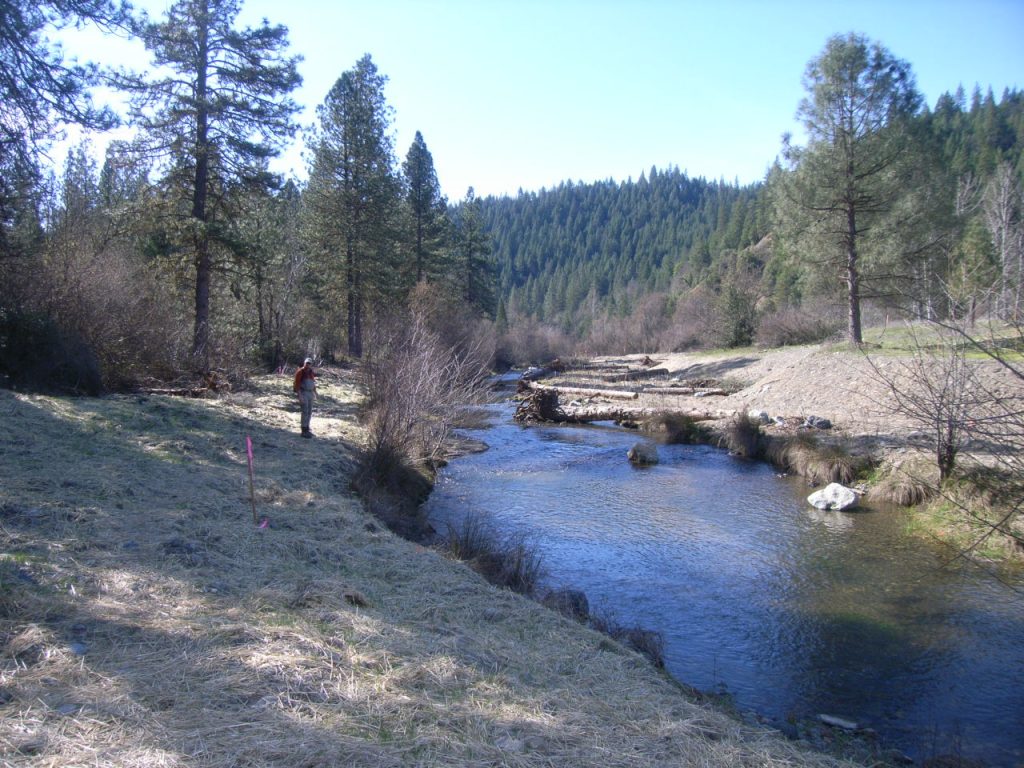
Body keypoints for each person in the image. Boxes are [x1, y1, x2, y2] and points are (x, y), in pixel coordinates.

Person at [293, 358, 317, 438]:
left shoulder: (311, 372)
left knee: (309, 412)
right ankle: (303, 430)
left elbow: (313, 383)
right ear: (304, 363)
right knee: (305, 411)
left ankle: (307, 428)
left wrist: (315, 393)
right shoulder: (300, 371)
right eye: (307, 363)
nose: (308, 365)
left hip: (310, 393)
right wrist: (299, 396)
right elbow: (297, 384)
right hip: (303, 393)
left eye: (309, 363)